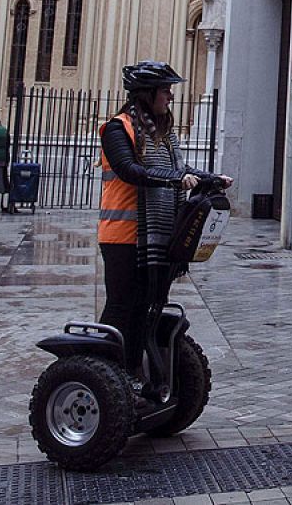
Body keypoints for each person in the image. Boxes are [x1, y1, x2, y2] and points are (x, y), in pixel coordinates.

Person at [97, 60, 231, 375]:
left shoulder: (163, 134)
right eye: (165, 90)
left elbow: (180, 171)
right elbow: (130, 170)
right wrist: (171, 179)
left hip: (157, 237)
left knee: (146, 308)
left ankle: (132, 372)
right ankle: (102, 369)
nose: (170, 96)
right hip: (123, 238)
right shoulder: (118, 128)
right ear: (146, 93)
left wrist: (211, 178)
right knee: (122, 307)